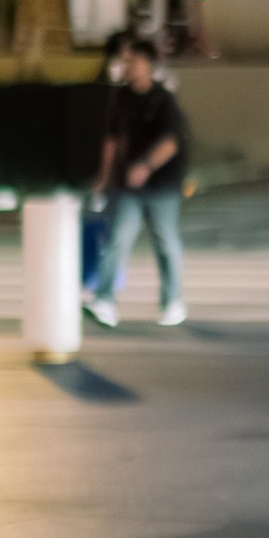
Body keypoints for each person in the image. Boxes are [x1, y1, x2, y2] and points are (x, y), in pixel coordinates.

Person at [84, 37, 188, 327]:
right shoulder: (121, 98)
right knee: (117, 239)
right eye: (125, 60)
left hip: (163, 185)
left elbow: (171, 142)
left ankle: (173, 301)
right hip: (128, 186)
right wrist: (104, 177)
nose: (127, 66)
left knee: (166, 242)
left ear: (148, 64)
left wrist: (145, 165)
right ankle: (104, 300)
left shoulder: (163, 99)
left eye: (133, 60)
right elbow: (112, 140)